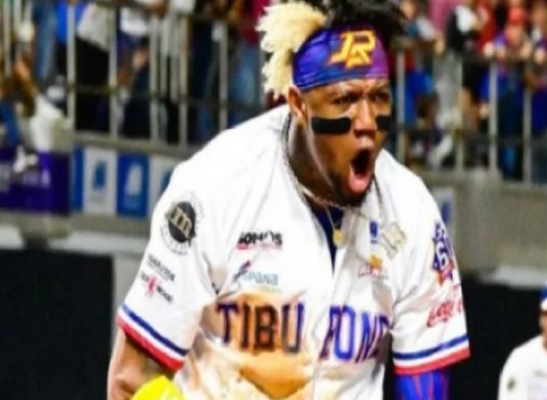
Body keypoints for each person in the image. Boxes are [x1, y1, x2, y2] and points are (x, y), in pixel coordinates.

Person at [106, 0, 470, 399]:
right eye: (345, 100)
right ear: (298, 104)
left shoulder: (412, 213)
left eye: (380, 97)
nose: (367, 122)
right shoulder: (216, 186)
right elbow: (131, 377)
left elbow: (425, 388)